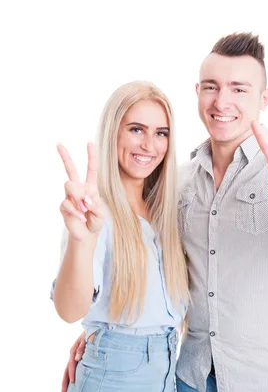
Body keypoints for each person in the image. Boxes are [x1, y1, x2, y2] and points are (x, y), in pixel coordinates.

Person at [62, 33, 268, 392]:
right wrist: (105, 340)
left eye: (239, 89)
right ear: (198, 92)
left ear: (265, 99)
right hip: (189, 379)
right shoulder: (177, 185)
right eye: (212, 87)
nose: (222, 101)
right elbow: (145, 264)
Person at [50, 81, 190, 392]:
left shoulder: (165, 212)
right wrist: (81, 240)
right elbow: (70, 310)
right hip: (114, 377)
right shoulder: (96, 214)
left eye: (160, 133)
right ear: (113, 132)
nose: (149, 145)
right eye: (136, 130)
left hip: (166, 371)